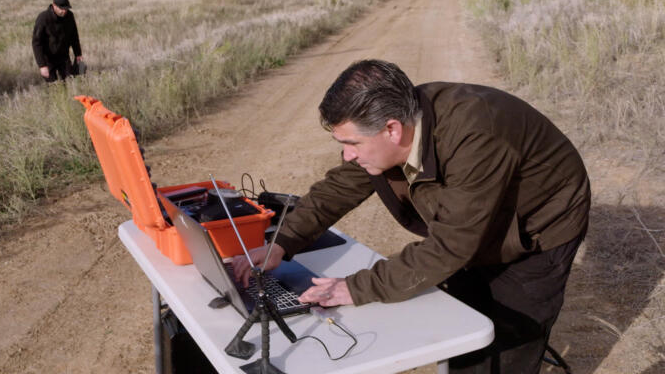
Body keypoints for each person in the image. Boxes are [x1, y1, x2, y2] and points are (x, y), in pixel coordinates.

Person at [232, 60, 590, 373]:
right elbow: (337, 189)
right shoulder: (387, 125)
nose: (348, 155)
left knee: (510, 337)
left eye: (352, 144)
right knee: (463, 326)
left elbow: (451, 246)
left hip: (537, 226)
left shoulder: (477, 136)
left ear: (392, 130)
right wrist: (283, 242)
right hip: (471, 222)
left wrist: (354, 287)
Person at [32, 0, 83, 83]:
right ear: (54, 5)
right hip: (48, 58)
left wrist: (78, 54)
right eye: (61, 8)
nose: (64, 11)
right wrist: (42, 65)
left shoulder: (69, 16)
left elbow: (74, 36)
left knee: (70, 81)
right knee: (52, 85)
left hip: (64, 57)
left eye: (66, 8)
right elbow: (36, 43)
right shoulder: (43, 18)